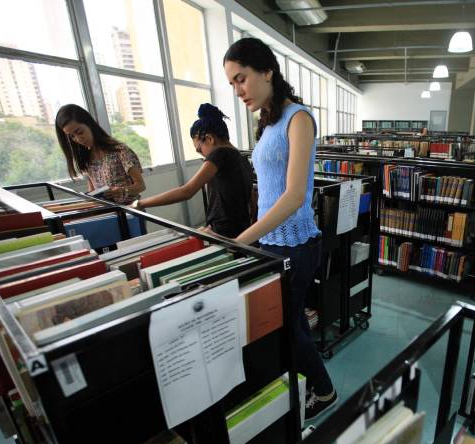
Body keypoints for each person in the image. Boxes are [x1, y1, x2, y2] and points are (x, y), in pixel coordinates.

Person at [224, 37, 337, 421]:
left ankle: (324, 391)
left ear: (267, 71)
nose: (238, 91)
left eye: (242, 79)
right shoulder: (268, 121)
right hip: (269, 242)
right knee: (281, 324)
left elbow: (292, 197)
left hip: (295, 243)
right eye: (232, 84)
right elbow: (267, 191)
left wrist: (242, 239)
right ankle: (298, 388)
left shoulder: (298, 118)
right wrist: (252, 233)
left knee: (289, 327)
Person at [132, 104, 253, 239]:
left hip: (223, 233)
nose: (203, 156)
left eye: (199, 149)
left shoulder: (219, 154)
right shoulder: (241, 157)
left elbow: (186, 191)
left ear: (209, 139)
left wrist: (141, 203)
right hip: (241, 229)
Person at [55, 104, 146, 204]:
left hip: (130, 212)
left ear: (89, 124)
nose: (78, 139)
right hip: (107, 213)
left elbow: (141, 185)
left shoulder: (120, 151)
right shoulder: (86, 158)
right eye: (72, 136)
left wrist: (122, 190)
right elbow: (92, 191)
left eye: (80, 132)